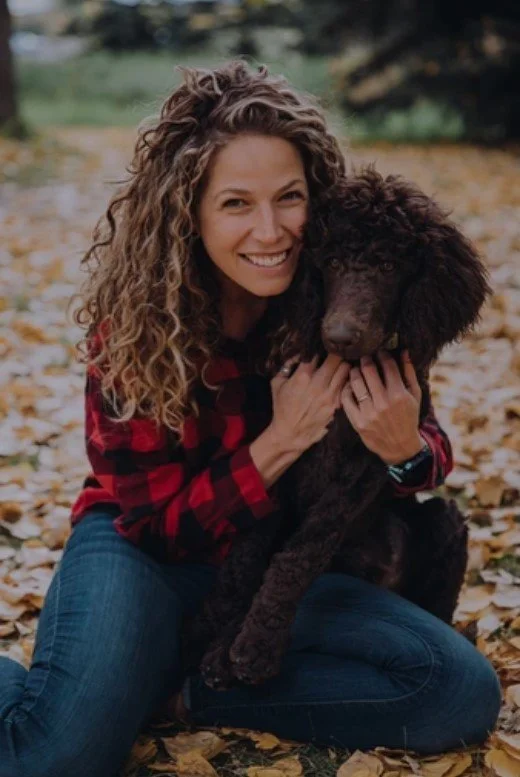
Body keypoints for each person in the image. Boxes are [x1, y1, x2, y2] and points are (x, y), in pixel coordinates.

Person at [0, 60, 501, 777]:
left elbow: (417, 443)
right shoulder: (139, 326)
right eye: (236, 203)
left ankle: (186, 687)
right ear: (189, 211)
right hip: (143, 552)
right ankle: (115, 671)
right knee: (52, 754)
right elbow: (155, 524)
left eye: (288, 197)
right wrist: (281, 439)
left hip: (289, 564)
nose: (270, 231)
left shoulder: (337, 294)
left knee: (455, 693)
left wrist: (406, 452)